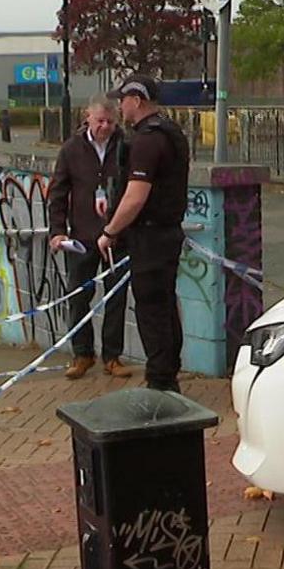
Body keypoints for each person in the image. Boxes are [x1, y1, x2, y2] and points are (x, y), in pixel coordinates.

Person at [98, 74, 189, 392]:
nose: (120, 107)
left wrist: (110, 231)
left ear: (137, 100)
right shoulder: (170, 132)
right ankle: (167, 374)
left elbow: (136, 197)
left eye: (122, 100)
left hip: (150, 237)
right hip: (167, 233)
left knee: (152, 309)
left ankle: (161, 382)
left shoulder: (147, 140)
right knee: (164, 305)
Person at [48, 96, 132, 380]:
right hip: (82, 236)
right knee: (78, 296)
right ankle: (82, 353)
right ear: (88, 118)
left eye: (110, 122)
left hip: (117, 236)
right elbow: (58, 192)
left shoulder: (126, 146)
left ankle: (112, 356)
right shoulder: (72, 149)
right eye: (100, 122)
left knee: (116, 297)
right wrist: (57, 231)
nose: (105, 127)